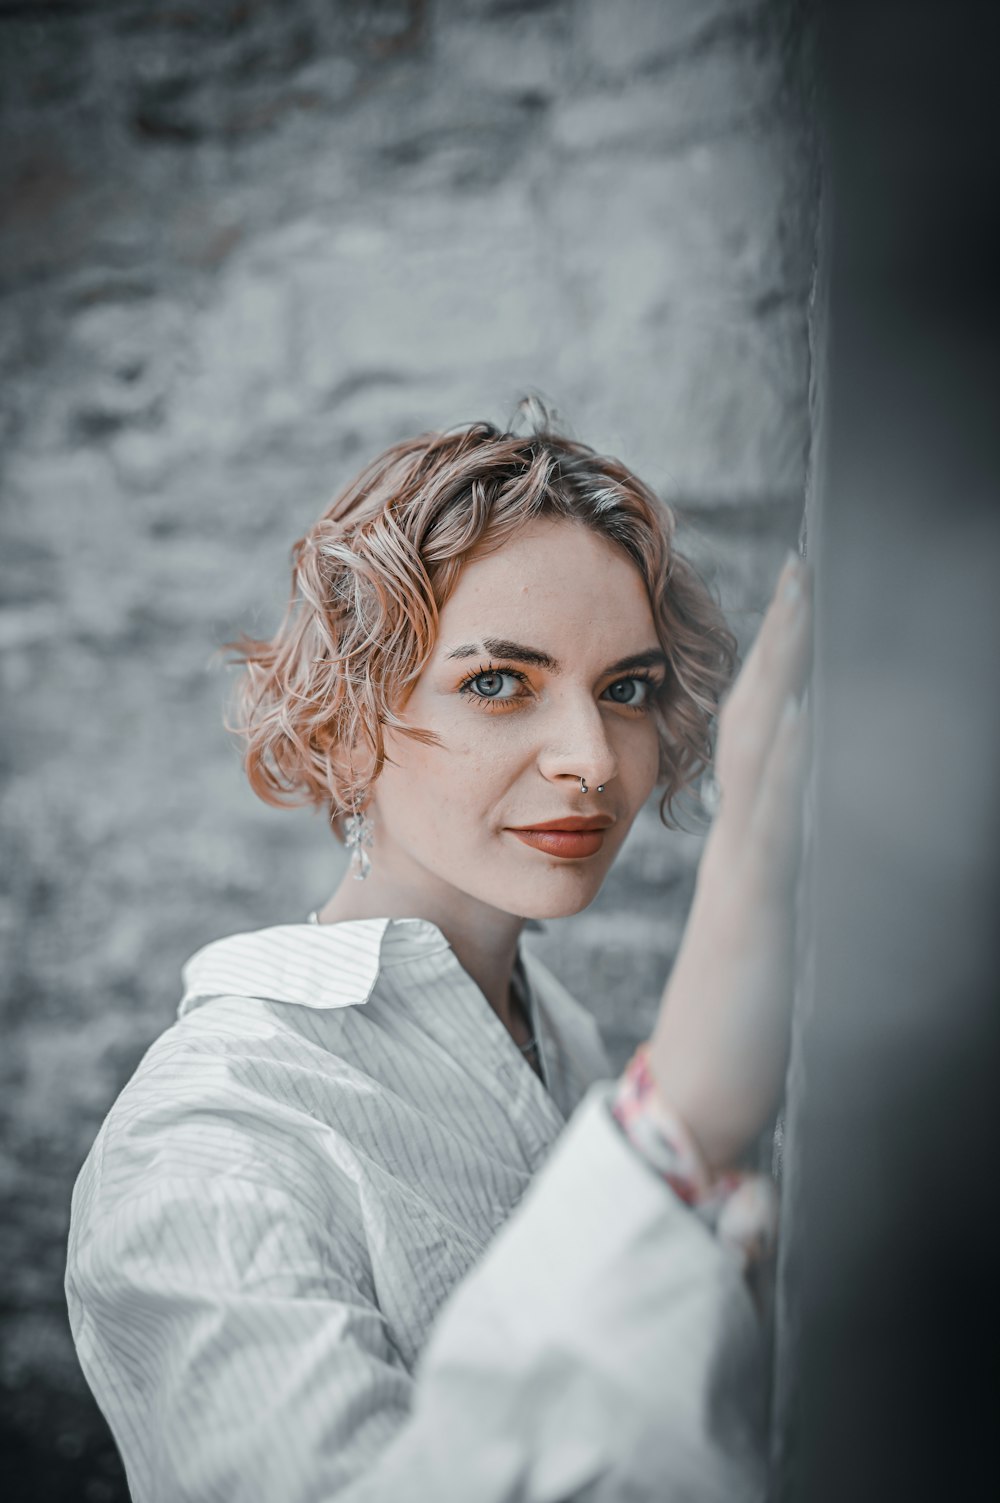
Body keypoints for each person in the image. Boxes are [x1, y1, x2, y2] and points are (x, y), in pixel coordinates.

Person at [65, 406, 810, 1503]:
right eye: (500, 682)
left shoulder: (554, 1034)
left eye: (626, 689)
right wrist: (675, 1131)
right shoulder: (211, 1144)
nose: (591, 760)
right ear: (348, 722)